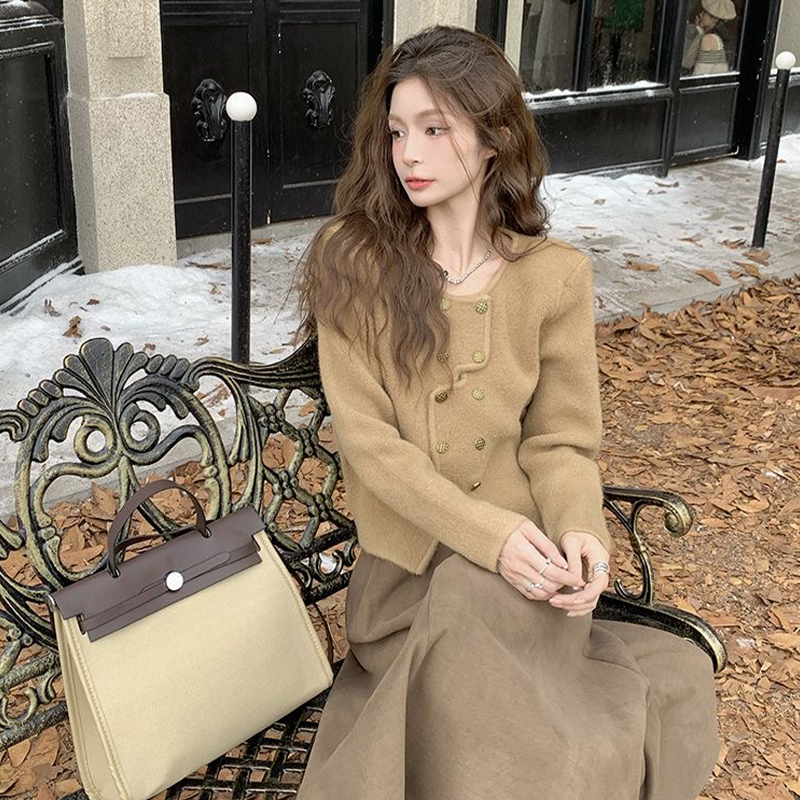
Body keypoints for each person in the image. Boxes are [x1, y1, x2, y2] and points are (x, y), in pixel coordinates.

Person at [288, 24, 720, 800]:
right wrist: (492, 539)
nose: (408, 154)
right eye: (396, 132)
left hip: (528, 582)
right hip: (409, 590)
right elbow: (371, 445)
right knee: (510, 707)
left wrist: (581, 534)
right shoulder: (353, 261)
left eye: (434, 130)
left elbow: (561, 441)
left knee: (648, 687)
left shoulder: (554, 276)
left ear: (493, 140)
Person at [682, 0, 738, 76]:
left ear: (714, 18)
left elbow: (698, 74)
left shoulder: (710, 40)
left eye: (704, 13)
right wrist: (700, 31)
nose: (700, 15)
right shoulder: (715, 38)